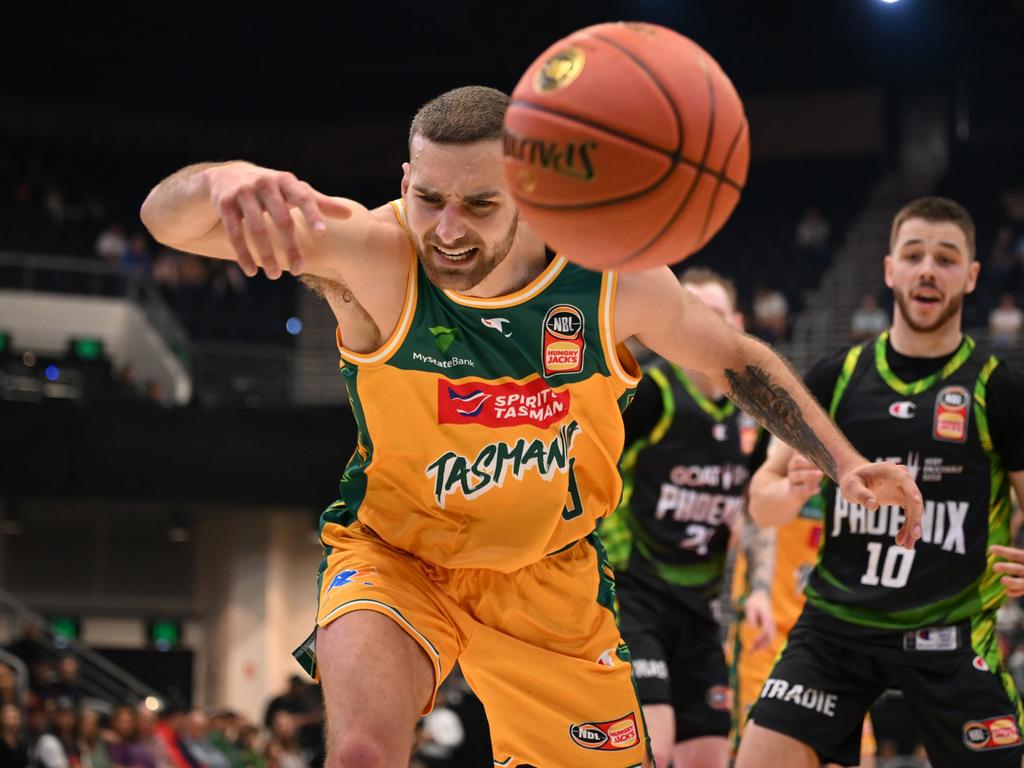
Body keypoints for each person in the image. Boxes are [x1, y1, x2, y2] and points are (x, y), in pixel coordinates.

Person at [140, 85, 922, 768]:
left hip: (550, 578)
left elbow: (732, 358)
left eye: (481, 204)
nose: (447, 229)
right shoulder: (374, 253)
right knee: (362, 752)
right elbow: (166, 218)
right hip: (400, 556)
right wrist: (225, 179)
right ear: (405, 182)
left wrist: (844, 461)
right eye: (429, 199)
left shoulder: (611, 279)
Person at [736, 196, 1024, 768]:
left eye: (946, 259)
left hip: (951, 629)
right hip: (836, 628)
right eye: (914, 254)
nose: (927, 269)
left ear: (970, 277)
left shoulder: (998, 388)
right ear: (890, 269)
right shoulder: (834, 377)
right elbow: (760, 505)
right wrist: (788, 491)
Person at [598, 267, 766, 768]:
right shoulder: (651, 393)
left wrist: (757, 585)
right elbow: (584, 466)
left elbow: (756, 510)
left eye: (712, 313)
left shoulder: (752, 414)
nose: (699, 323)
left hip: (702, 606)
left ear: (736, 322)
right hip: (634, 591)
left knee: (711, 755)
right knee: (654, 746)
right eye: (688, 309)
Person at [728, 454, 877, 767]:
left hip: (836, 632)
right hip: (772, 627)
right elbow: (758, 509)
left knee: (858, 754)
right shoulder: (793, 432)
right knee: (763, 748)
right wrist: (759, 591)